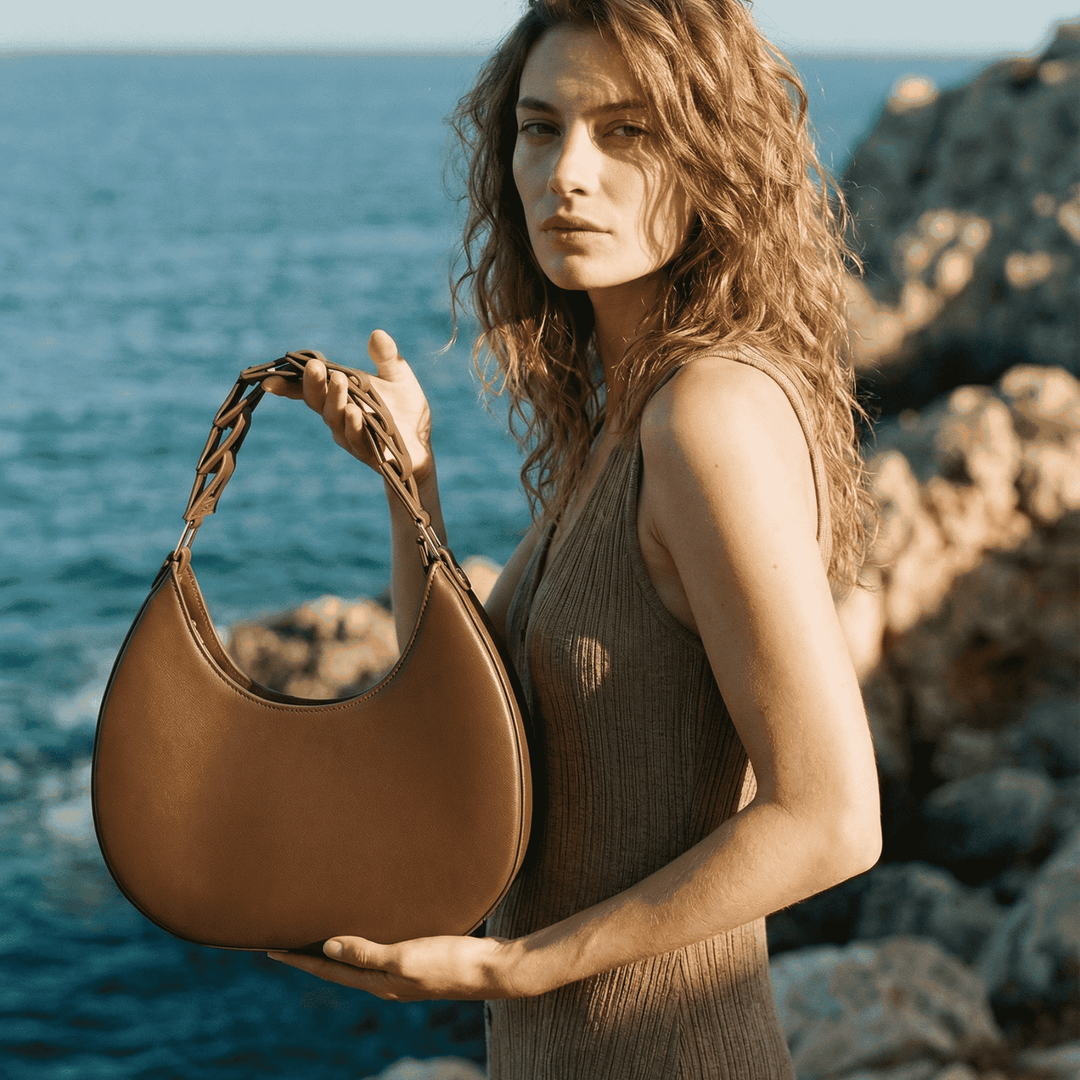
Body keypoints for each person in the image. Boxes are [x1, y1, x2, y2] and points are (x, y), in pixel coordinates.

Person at [266, 0, 881, 1075]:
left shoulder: (707, 417)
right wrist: (412, 481)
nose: (567, 174)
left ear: (714, 157)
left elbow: (833, 817)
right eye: (540, 129)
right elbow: (466, 719)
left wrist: (520, 966)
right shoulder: (622, 422)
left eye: (625, 130)